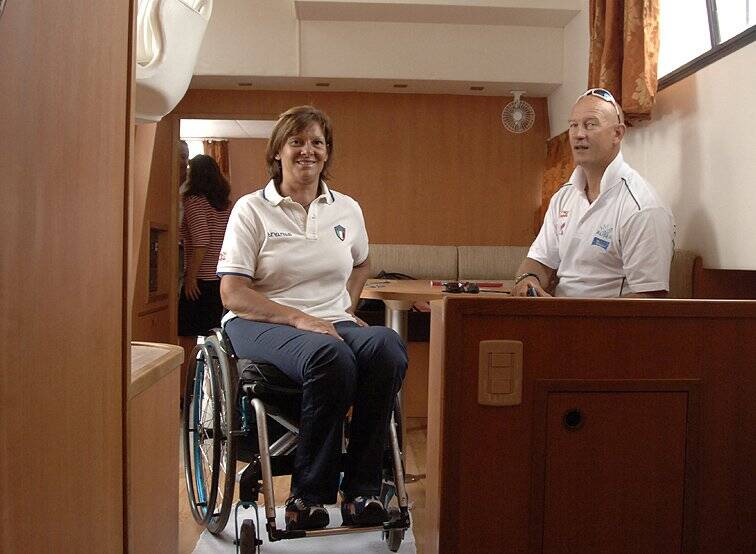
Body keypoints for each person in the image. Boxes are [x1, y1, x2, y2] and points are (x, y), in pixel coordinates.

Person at [217, 105, 407, 531]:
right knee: (330, 355)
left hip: (329, 321)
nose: (308, 150)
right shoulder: (252, 209)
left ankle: (362, 491)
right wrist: (297, 318)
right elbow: (233, 292)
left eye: (317, 142)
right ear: (278, 151)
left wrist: (346, 309)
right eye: (297, 141)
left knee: (387, 347)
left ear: (327, 151)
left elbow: (362, 262)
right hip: (259, 321)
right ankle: (308, 497)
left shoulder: (347, 209)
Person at [512, 88, 675, 298]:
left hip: (605, 317)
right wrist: (528, 281)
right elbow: (539, 261)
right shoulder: (563, 197)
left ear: (617, 134)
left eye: (590, 125)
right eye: (574, 125)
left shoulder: (642, 207)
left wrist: (580, 315)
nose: (579, 134)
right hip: (556, 313)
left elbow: (650, 298)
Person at [178, 154, 232, 390]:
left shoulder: (194, 201)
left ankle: (185, 391)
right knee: (215, 338)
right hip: (222, 278)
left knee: (186, 337)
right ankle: (216, 389)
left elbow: (201, 241)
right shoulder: (225, 204)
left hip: (202, 279)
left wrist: (191, 277)